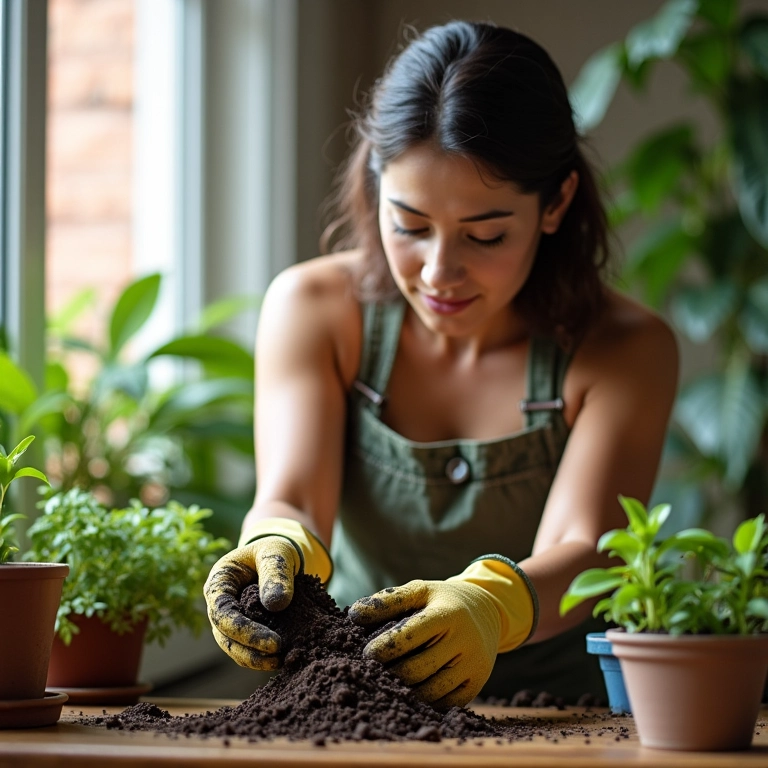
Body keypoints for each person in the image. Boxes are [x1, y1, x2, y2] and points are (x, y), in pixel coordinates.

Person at [204, 20, 678, 710]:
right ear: (376, 183)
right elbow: (296, 497)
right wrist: (273, 541)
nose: (438, 272)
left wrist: (489, 603)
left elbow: (586, 547)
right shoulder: (315, 309)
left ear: (557, 203)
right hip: (361, 702)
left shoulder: (623, 348)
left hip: (563, 718)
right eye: (411, 225)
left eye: (485, 234)